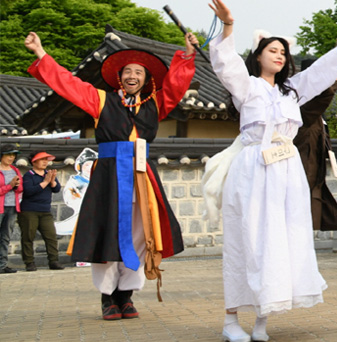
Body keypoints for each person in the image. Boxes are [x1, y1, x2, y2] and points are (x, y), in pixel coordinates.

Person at [207, 0, 337, 342]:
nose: (279, 55)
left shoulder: (290, 92)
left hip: (286, 171)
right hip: (253, 168)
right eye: (272, 50)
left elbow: (316, 75)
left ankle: (264, 317)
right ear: (258, 56)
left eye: (283, 51)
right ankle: (230, 319)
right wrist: (228, 26)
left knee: (279, 241)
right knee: (247, 240)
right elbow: (225, 64)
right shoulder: (248, 86)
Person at [26, 30, 196, 317]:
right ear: (119, 77)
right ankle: (107, 298)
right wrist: (41, 53)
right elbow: (68, 84)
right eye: (127, 71)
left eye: (138, 72)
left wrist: (187, 55)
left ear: (145, 79)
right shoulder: (101, 100)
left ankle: (126, 295)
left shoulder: (155, 103)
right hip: (108, 176)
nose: (132, 75)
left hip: (143, 176)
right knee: (107, 232)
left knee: (141, 234)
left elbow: (177, 85)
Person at [294, 62, 337, 233]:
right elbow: (324, 96)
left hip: (314, 175)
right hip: (301, 175)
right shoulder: (303, 109)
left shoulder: (317, 115)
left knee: (308, 225)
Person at [19, 151, 63, 271]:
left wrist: (52, 180)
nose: (45, 162)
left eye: (46, 159)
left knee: (51, 236)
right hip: (29, 211)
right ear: (34, 161)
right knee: (28, 237)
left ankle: (53, 261)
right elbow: (29, 191)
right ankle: (29, 262)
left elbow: (57, 189)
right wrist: (45, 182)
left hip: (45, 210)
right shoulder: (29, 175)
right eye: (42, 159)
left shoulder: (48, 174)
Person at [0, 144, 23, 274]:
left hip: (12, 207)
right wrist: (10, 185)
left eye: (13, 155)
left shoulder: (15, 170)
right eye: (8, 155)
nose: (11, 158)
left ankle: (2, 265)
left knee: (5, 237)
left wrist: (17, 186)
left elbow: (20, 189)